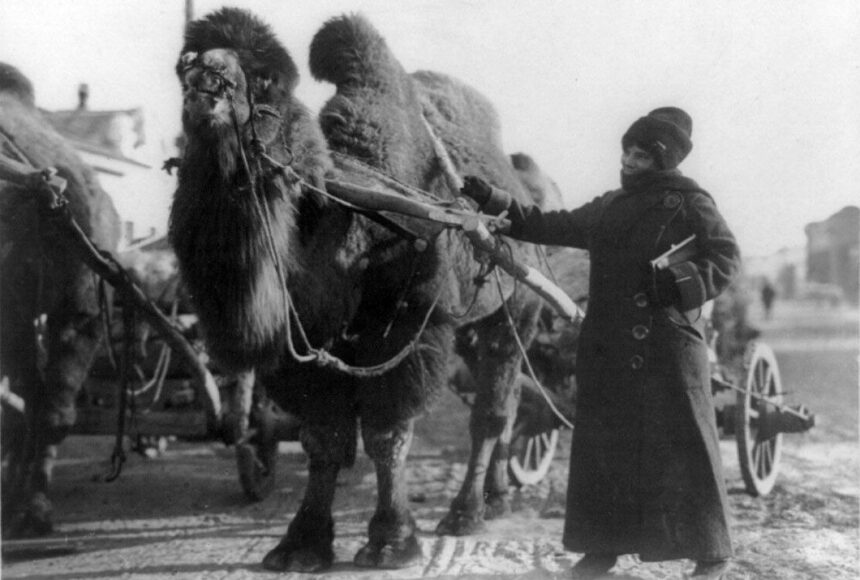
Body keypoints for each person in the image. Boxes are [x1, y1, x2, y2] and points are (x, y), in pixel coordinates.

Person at [460, 107, 740, 580]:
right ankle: (600, 549)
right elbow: (548, 224)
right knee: (603, 451)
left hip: (667, 347)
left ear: (663, 160)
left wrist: (678, 283)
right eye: (626, 152)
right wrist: (493, 198)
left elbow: (725, 256)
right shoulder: (610, 206)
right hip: (609, 347)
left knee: (682, 450)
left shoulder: (690, 203)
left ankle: (710, 551)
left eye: (640, 155)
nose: (628, 162)